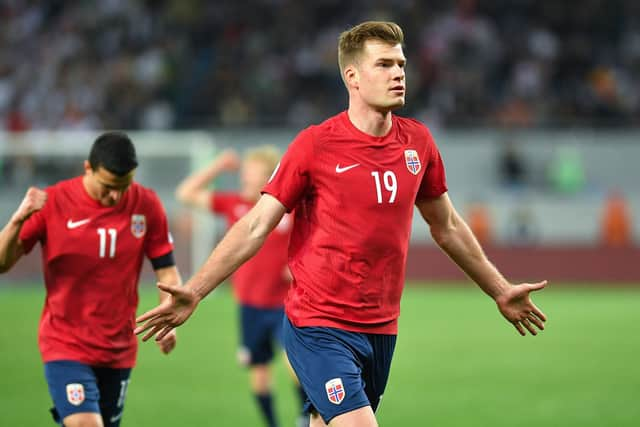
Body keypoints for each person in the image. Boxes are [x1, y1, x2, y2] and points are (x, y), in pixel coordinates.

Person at [135, 21, 547, 427]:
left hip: (381, 326)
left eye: (401, 64)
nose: (399, 73)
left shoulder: (418, 143)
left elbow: (449, 227)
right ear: (352, 76)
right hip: (318, 324)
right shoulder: (315, 145)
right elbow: (255, 225)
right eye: (384, 64)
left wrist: (500, 290)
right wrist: (196, 290)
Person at [0, 132, 182, 427]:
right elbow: (2, 263)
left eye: (124, 187)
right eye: (108, 187)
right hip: (65, 343)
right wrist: (16, 221)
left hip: (119, 347)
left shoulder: (146, 204)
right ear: (88, 168)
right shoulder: (54, 202)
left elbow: (166, 269)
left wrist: (169, 312)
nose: (116, 196)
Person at [175, 146, 307, 427]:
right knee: (259, 374)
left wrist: (298, 263)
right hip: (249, 306)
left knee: (295, 365)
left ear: (268, 176)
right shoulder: (232, 204)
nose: (245, 178)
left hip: (286, 304)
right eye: (244, 173)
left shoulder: (285, 206)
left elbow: (312, 235)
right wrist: (219, 166)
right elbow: (185, 193)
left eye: (252, 173)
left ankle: (303, 417)